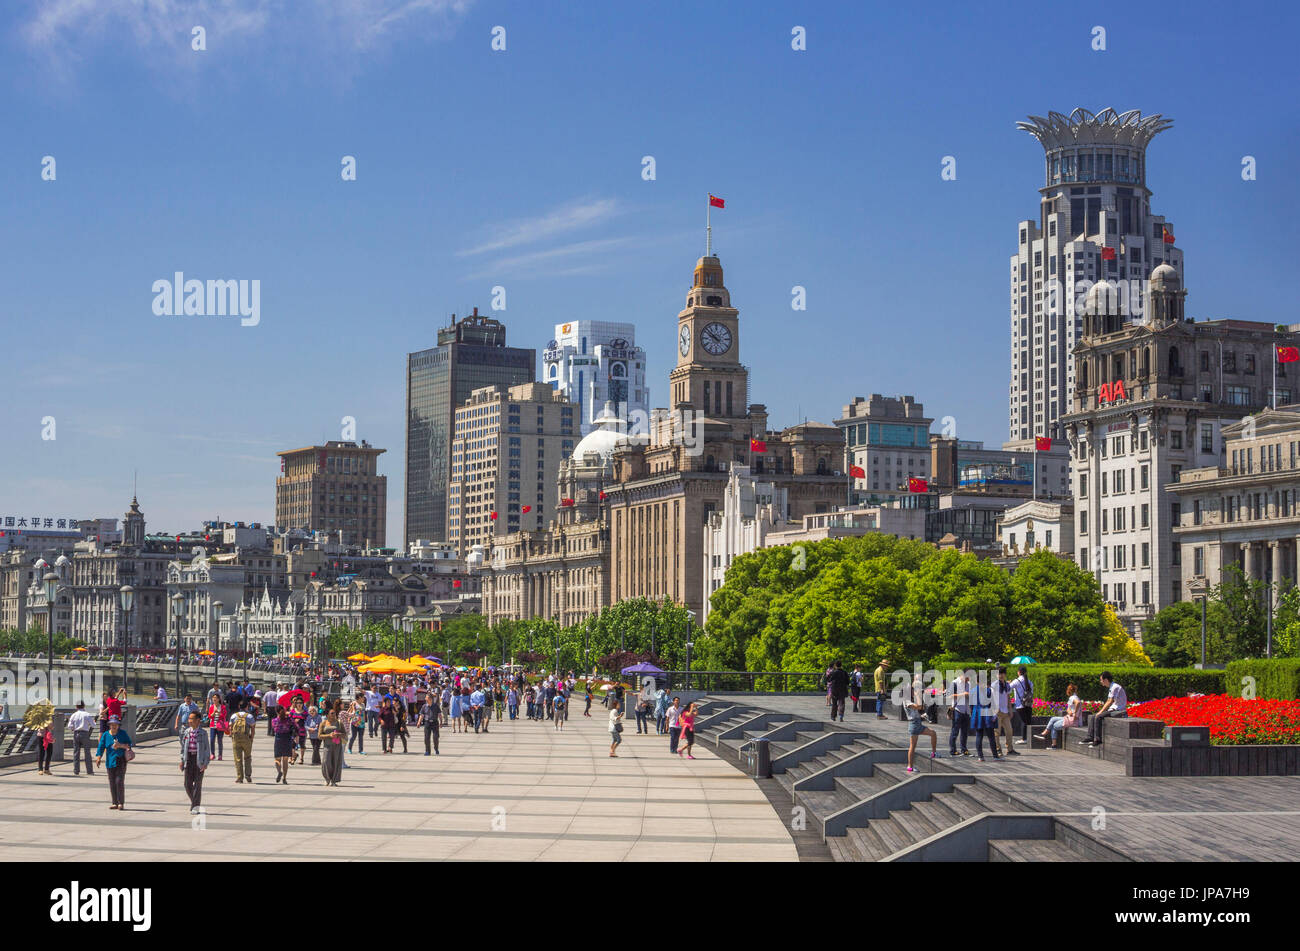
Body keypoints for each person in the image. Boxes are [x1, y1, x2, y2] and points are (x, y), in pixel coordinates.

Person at [95, 715, 133, 809]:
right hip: (110, 761)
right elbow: (101, 746)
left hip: (120, 760)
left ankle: (121, 803)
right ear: (109, 725)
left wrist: (120, 745)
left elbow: (129, 745)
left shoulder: (123, 734)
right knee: (112, 782)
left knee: (119, 781)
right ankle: (114, 803)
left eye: (115, 724)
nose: (114, 726)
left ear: (118, 725)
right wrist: (99, 757)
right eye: (112, 724)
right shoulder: (105, 735)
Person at [1082, 672, 1127, 748]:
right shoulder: (1112, 687)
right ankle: (1090, 737)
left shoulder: (1115, 687)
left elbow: (1110, 701)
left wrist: (1100, 712)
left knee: (1098, 717)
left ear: (1106, 680)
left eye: (1101, 680)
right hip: (1114, 708)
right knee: (1093, 716)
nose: (1100, 682)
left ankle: (1098, 740)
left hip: (1118, 710)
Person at [178, 709, 211, 814]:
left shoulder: (203, 733)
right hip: (189, 759)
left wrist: (205, 763)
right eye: (189, 718)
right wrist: (182, 760)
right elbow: (183, 747)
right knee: (187, 784)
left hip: (199, 760)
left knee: (197, 784)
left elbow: (207, 749)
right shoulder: (187, 732)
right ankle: (195, 803)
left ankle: (195, 807)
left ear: (198, 720)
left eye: (191, 719)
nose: (189, 721)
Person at [905, 678, 938, 772]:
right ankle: (910, 766)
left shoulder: (912, 699)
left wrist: (921, 715)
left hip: (918, 723)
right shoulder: (906, 701)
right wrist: (917, 695)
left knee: (933, 733)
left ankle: (934, 753)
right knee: (912, 746)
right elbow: (918, 706)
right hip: (913, 725)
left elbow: (919, 709)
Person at [1039, 684, 1081, 749]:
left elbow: (1078, 703)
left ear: (1068, 691)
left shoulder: (1073, 698)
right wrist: (1069, 711)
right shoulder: (1075, 697)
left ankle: (1051, 742)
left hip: (1072, 720)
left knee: (1054, 726)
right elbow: (1069, 708)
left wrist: (1074, 712)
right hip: (1069, 718)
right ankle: (1045, 733)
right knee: (1053, 719)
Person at [970, 674, 1001, 762]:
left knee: (979, 735)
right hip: (987, 713)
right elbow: (992, 704)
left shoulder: (972, 691)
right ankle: (995, 756)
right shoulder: (988, 690)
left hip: (977, 714)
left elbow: (971, 706)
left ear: (977, 681)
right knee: (991, 736)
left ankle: (980, 757)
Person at [993, 668, 1020, 756]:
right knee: (997, 732)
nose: (1001, 675)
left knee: (1009, 731)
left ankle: (1010, 749)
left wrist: (1010, 709)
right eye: (999, 674)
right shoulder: (994, 685)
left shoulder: (1007, 685)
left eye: (1002, 674)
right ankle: (998, 749)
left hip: (1005, 711)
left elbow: (1008, 697)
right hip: (997, 711)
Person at [228, 699, 256, 783]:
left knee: (238, 758)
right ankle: (248, 775)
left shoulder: (234, 716)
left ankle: (239, 777)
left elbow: (230, 727)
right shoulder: (249, 716)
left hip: (236, 739)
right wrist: (252, 738)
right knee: (247, 757)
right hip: (246, 738)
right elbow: (253, 728)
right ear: (247, 707)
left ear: (239, 707)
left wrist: (231, 735)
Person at [319, 706, 344, 786]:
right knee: (326, 762)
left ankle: (334, 780)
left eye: (335, 713)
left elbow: (344, 734)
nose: (334, 715)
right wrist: (329, 735)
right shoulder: (323, 723)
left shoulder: (339, 722)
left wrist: (338, 734)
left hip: (337, 745)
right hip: (327, 745)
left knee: (336, 763)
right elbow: (319, 736)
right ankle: (327, 778)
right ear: (327, 715)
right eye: (332, 713)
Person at [69, 701, 96, 776]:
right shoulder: (87, 714)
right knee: (87, 752)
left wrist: (73, 728)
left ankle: (76, 770)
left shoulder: (74, 715)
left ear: (76, 707)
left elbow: (69, 726)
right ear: (84, 706)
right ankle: (89, 771)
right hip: (85, 733)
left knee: (76, 753)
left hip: (76, 733)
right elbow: (93, 725)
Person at [948, 671, 972, 757]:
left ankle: (964, 749)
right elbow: (950, 695)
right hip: (957, 709)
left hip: (966, 710)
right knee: (955, 731)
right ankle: (953, 750)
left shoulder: (968, 684)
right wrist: (963, 694)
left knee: (965, 732)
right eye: (967, 677)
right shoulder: (954, 683)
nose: (968, 679)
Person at [271, 706, 296, 783]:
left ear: (277, 712)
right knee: (285, 760)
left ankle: (279, 772)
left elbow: (274, 729)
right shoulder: (289, 720)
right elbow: (295, 726)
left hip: (278, 739)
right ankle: (284, 778)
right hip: (287, 739)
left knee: (277, 759)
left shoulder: (274, 720)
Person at [1011, 665, 1035, 744]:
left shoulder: (1016, 681)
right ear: (1026, 672)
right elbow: (1032, 692)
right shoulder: (1029, 681)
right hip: (1028, 704)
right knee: (1028, 721)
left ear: (1019, 672)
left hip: (1020, 705)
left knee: (1023, 721)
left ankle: (1024, 739)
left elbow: (1008, 688)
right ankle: (1029, 738)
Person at [207, 694, 228, 762]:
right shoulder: (211, 707)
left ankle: (220, 755)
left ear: (219, 699)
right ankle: (212, 754)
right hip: (213, 726)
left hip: (220, 726)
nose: (214, 699)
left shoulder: (223, 707)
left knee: (219, 741)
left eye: (216, 698)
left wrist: (219, 713)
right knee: (212, 740)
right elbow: (210, 716)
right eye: (213, 698)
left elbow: (224, 715)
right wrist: (214, 712)